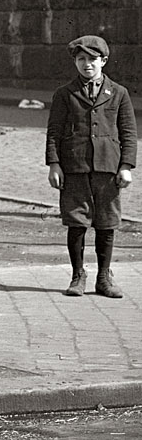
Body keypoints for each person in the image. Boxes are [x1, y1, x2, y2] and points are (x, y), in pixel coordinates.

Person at [46, 34, 135, 299]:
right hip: (74, 167)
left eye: (93, 59)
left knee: (107, 223)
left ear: (104, 61)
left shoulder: (118, 93)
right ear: (75, 61)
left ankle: (104, 277)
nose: (87, 65)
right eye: (81, 59)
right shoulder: (64, 94)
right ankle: (77, 275)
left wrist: (126, 165)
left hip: (108, 168)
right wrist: (54, 164)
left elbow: (128, 132)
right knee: (77, 222)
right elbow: (54, 132)